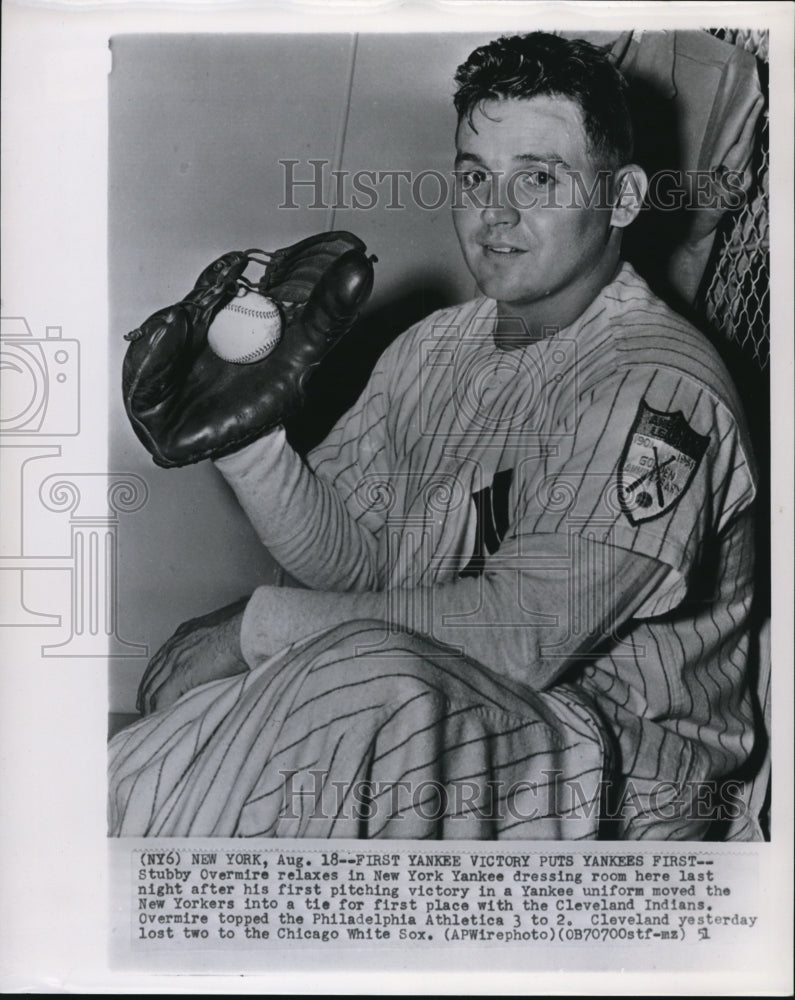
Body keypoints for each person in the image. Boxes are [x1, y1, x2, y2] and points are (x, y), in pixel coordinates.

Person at [109, 32, 757, 840]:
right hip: (477, 719)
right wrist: (254, 445)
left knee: (358, 676)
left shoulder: (658, 385)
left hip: (624, 778)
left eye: (538, 178)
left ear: (622, 198)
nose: (496, 214)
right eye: (475, 177)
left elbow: (519, 635)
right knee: (169, 744)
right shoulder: (436, 345)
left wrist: (256, 627)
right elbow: (355, 559)